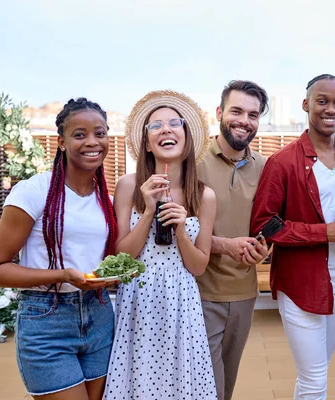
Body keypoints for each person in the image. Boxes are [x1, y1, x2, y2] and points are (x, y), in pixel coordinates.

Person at [0, 98, 118, 400]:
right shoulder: (33, 191)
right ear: (62, 142)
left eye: (100, 133)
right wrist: (63, 275)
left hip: (99, 315)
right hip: (47, 321)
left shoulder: (105, 199)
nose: (92, 142)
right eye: (79, 134)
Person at [250, 74, 335, 399]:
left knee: (315, 373)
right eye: (322, 101)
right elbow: (264, 224)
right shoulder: (282, 162)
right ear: (306, 105)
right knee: (314, 379)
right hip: (301, 286)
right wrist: (324, 233)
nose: (330, 109)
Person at [104, 90, 217, 399]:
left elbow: (198, 266)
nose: (165, 129)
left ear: (187, 136)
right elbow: (122, 255)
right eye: (155, 126)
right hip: (138, 300)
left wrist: (181, 230)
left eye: (174, 123)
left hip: (182, 301)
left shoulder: (204, 196)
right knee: (140, 382)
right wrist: (149, 211)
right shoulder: (128, 186)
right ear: (147, 142)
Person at [196, 80, 270, 400]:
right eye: (236, 111)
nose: (244, 120)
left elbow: (270, 224)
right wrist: (225, 245)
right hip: (201, 293)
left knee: (225, 389)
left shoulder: (267, 167)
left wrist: (266, 247)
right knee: (206, 389)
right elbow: (176, 233)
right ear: (219, 113)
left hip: (244, 294)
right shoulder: (193, 163)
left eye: (253, 114)